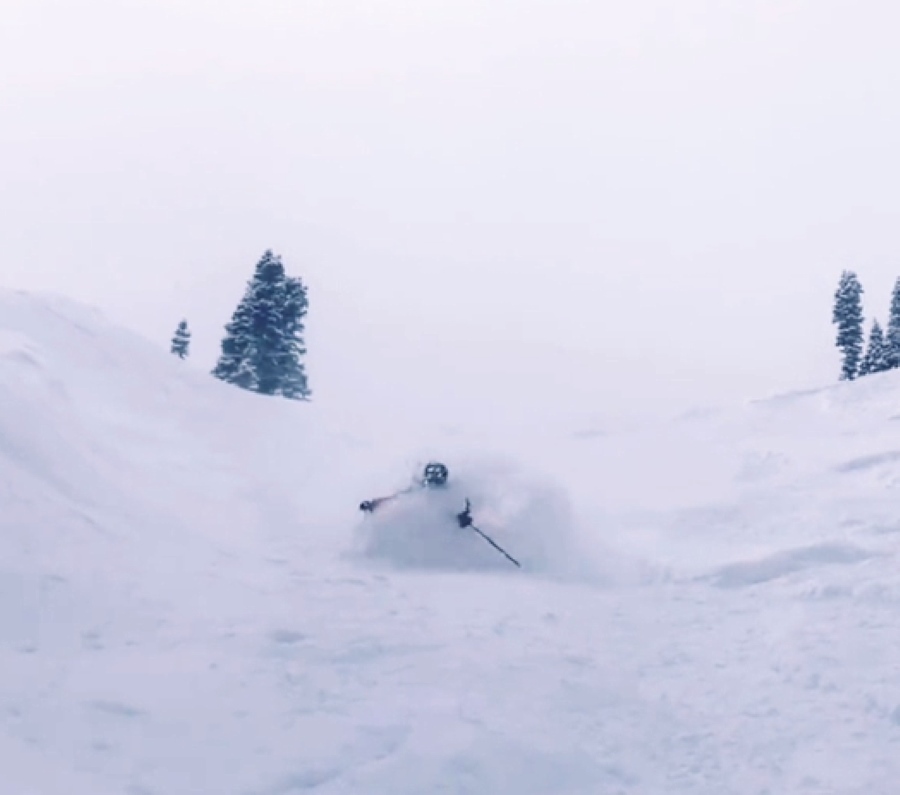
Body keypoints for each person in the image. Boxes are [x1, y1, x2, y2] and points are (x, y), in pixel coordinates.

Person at [359, 461, 473, 528]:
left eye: (437, 475)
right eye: (431, 475)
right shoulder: (417, 492)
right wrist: (373, 504)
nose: (434, 479)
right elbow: (395, 500)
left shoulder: (453, 494)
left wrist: (464, 519)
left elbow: (466, 511)